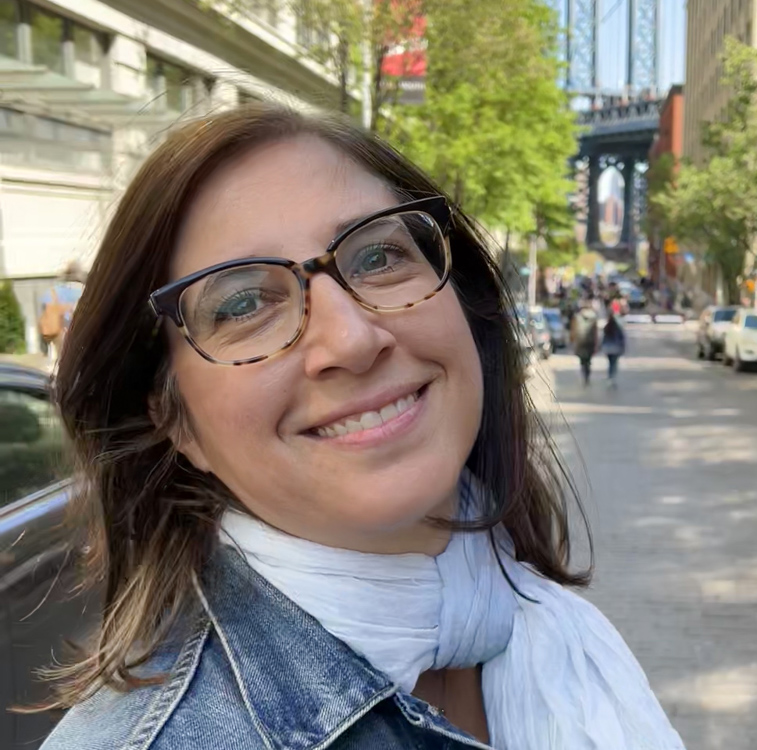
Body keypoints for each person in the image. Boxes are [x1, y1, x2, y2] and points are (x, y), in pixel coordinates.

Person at [39, 106, 684, 750]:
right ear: (176, 421)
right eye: (241, 304)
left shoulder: (547, 625)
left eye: (378, 256)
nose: (349, 338)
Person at [37, 261, 84, 365]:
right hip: (81, 332)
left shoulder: (53, 291)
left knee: (61, 361)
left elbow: (44, 312)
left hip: (59, 332)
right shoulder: (85, 290)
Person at [570, 296, 600, 387]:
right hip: (590, 342)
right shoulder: (594, 317)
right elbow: (595, 332)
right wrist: (596, 343)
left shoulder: (577, 317)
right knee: (588, 360)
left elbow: (573, 330)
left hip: (580, 341)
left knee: (582, 360)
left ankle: (584, 374)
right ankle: (587, 374)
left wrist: (572, 340)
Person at [601, 312, 627, 387]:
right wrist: (623, 347)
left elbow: (604, 338)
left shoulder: (607, 327)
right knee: (614, 364)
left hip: (608, 349)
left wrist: (602, 346)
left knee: (610, 363)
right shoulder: (618, 328)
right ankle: (612, 377)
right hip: (615, 348)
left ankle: (610, 377)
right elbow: (621, 339)